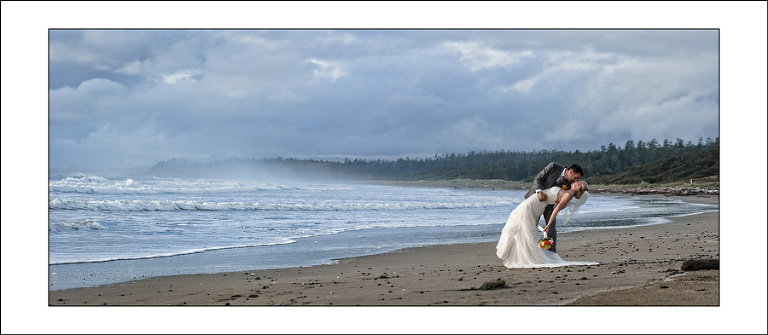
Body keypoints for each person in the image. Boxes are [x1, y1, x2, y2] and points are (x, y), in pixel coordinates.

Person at [496, 179, 597, 268]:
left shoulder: (568, 195)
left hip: (534, 204)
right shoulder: (567, 191)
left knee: (524, 228)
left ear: (578, 188)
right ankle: (510, 254)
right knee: (517, 223)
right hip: (535, 203)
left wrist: (548, 225)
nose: (575, 183)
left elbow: (555, 210)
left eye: (577, 183)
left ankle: (515, 255)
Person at [524, 163, 584, 252]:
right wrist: (539, 192)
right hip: (536, 199)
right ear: (570, 172)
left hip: (550, 205)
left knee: (551, 227)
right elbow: (538, 178)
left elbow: (563, 202)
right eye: (575, 177)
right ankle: (530, 251)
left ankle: (552, 253)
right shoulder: (553, 167)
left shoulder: (571, 185)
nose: (576, 180)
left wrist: (559, 201)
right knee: (530, 225)